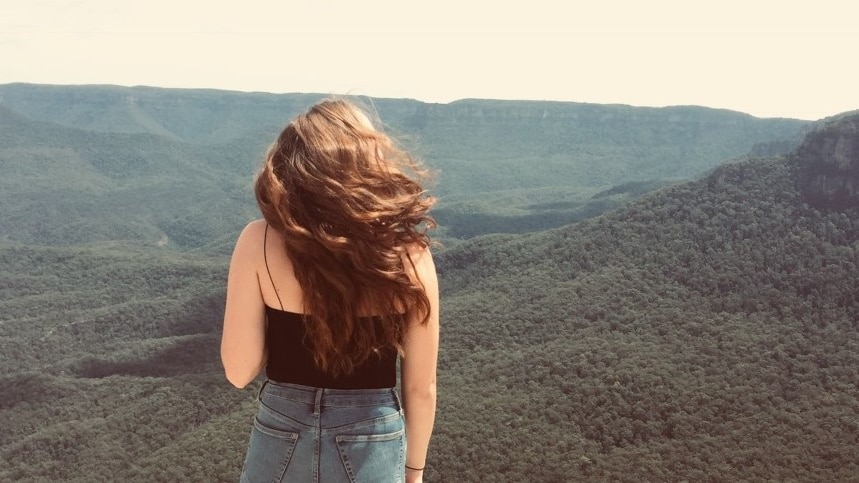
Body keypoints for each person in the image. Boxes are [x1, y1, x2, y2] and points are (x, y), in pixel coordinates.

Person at [221, 99, 439, 483]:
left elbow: (239, 371)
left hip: (281, 427)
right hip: (373, 433)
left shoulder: (259, 240)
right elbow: (420, 388)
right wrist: (415, 472)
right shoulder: (409, 255)